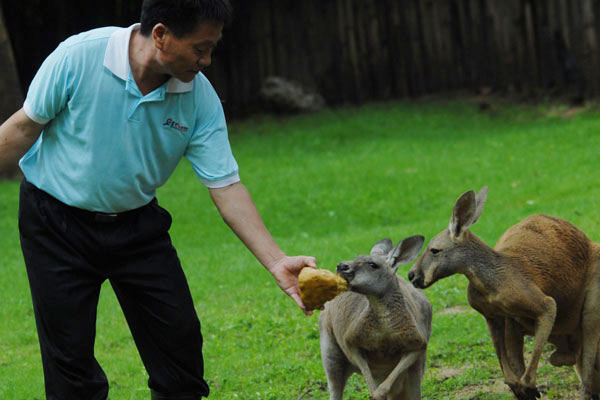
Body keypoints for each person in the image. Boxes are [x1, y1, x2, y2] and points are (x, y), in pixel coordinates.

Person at [0, 0, 317, 399]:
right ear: (162, 35)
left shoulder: (198, 98)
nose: (207, 60)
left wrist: (276, 261)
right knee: (70, 366)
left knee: (180, 350)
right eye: (200, 47)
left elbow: (226, 186)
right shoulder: (79, 57)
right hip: (54, 223)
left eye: (212, 48)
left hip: (136, 226)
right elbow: (23, 129)